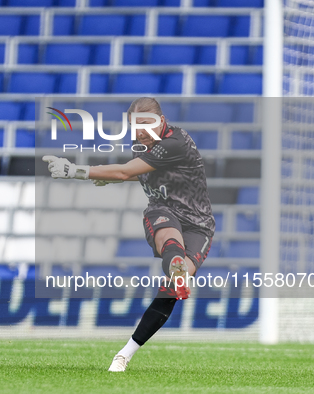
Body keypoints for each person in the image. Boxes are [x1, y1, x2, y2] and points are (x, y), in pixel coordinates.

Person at [42, 97, 215, 372]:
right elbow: (143, 171)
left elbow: (126, 171)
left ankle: (126, 352)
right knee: (170, 236)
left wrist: (76, 171)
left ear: (162, 121)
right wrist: (109, 175)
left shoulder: (176, 142)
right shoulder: (146, 144)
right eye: (135, 125)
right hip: (163, 211)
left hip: (198, 224)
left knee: (170, 290)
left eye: (147, 124)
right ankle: (177, 267)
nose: (141, 130)